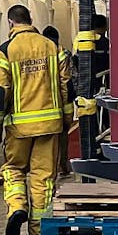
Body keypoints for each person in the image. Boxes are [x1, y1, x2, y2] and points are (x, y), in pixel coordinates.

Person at [0, 6, 71, 235]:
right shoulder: (54, 48)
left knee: (13, 169)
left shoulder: (6, 51)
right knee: (43, 179)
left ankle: (17, 207)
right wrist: (66, 121)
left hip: (19, 128)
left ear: (10, 23)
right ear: (31, 20)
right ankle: (39, 233)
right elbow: (66, 87)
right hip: (50, 126)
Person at [42, 26, 76, 177]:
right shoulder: (63, 53)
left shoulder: (39, 53)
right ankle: (62, 165)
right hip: (61, 102)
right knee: (63, 136)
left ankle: (50, 168)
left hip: (43, 103)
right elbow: (69, 80)